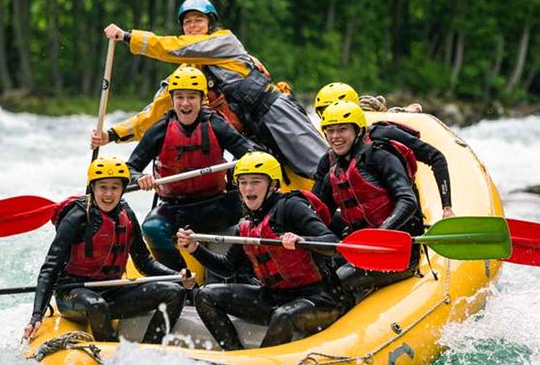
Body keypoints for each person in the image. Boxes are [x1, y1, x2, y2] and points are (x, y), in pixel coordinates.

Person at [93, 0, 328, 178]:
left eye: (198, 20)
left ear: (210, 24)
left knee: (318, 164)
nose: (193, 26)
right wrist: (112, 134)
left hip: (273, 111)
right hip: (248, 133)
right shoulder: (187, 74)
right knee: (266, 177)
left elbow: (172, 48)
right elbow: (155, 112)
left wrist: (127, 36)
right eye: (188, 22)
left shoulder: (224, 41)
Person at [176, 152, 345, 350]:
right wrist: (195, 249)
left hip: (319, 298)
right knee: (205, 295)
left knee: (283, 316)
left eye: (256, 182)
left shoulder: (291, 207)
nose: (248, 188)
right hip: (273, 297)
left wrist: (303, 240)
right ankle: (235, 355)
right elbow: (228, 268)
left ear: (273, 184)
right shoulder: (246, 224)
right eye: (243, 182)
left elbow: (333, 244)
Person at [24, 157, 193, 344]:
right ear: (93, 188)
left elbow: (144, 261)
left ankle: (150, 350)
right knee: (96, 305)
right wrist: (37, 315)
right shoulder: (77, 217)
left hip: (111, 290)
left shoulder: (126, 214)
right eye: (103, 187)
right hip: (73, 292)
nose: (109, 194)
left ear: (122, 189)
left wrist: (177, 275)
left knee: (174, 292)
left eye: (115, 187)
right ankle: (112, 356)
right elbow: (50, 268)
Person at [125, 64, 259, 271]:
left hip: (217, 205)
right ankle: (181, 281)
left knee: (246, 222)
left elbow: (251, 155)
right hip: (176, 208)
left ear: (202, 99)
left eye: (191, 97)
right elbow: (130, 169)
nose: (185, 103)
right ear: (172, 99)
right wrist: (139, 178)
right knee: (152, 227)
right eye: (179, 97)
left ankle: (232, 278)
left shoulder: (216, 125)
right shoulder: (160, 130)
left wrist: (243, 170)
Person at [312, 100, 423, 301]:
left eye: (342, 130)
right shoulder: (334, 171)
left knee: (336, 281)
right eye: (330, 131)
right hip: (360, 250)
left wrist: (381, 234)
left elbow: (408, 200)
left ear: (358, 131)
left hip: (396, 252)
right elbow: (319, 216)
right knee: (318, 273)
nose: (335, 137)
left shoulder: (380, 156)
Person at [314, 82, 454, 219]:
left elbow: (436, 157)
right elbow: (316, 204)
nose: (332, 116)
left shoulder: (383, 135)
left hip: (400, 219)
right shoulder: (331, 158)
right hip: (361, 225)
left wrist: (447, 208)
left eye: (342, 127)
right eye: (325, 113)